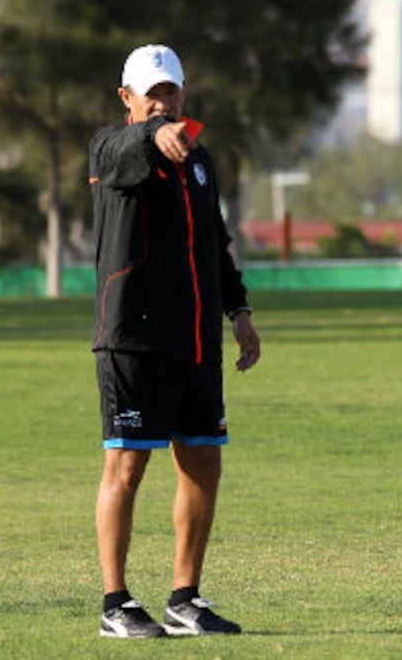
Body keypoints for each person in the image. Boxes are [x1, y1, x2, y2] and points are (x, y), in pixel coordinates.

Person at [88, 44, 261, 639]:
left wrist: (238, 309)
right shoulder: (112, 147)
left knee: (203, 462)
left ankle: (184, 598)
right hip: (132, 339)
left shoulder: (201, 161)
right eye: (151, 92)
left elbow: (214, 242)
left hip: (194, 341)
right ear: (127, 98)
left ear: (184, 92)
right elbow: (125, 146)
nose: (163, 102)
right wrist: (152, 135)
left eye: (172, 92)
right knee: (128, 464)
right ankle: (116, 603)